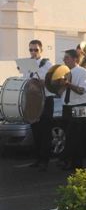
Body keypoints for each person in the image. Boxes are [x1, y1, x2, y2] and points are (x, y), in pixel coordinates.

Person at [25, 40, 54, 172]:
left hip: (46, 99)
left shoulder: (47, 63)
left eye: (35, 50)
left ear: (41, 50)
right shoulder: (28, 64)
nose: (33, 52)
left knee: (45, 131)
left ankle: (45, 161)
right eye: (31, 50)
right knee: (35, 130)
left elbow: (53, 80)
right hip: (33, 100)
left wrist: (45, 82)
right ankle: (38, 158)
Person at [60, 49, 86, 170]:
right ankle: (69, 162)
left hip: (79, 105)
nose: (64, 60)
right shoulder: (63, 72)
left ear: (75, 59)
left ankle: (77, 165)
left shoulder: (84, 72)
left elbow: (81, 90)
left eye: (66, 58)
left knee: (76, 136)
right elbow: (59, 92)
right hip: (66, 106)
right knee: (67, 135)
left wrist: (68, 84)